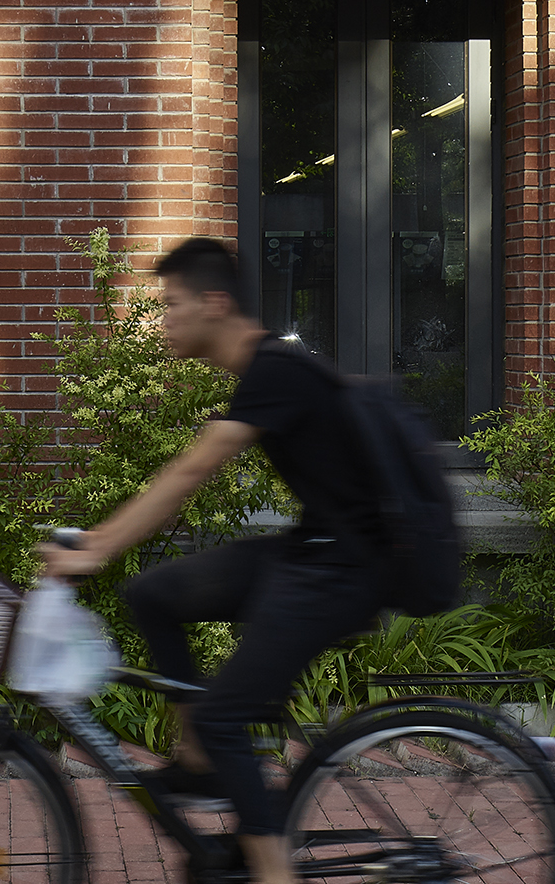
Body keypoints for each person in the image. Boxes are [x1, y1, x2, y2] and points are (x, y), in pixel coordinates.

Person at [40, 238, 390, 884]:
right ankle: (200, 760)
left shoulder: (274, 371)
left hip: (345, 572)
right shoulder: (265, 371)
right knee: (152, 594)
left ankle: (271, 870)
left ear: (216, 303)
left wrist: (96, 547)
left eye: (172, 304)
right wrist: (100, 541)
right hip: (313, 554)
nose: (164, 319)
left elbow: (190, 471)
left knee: (225, 715)